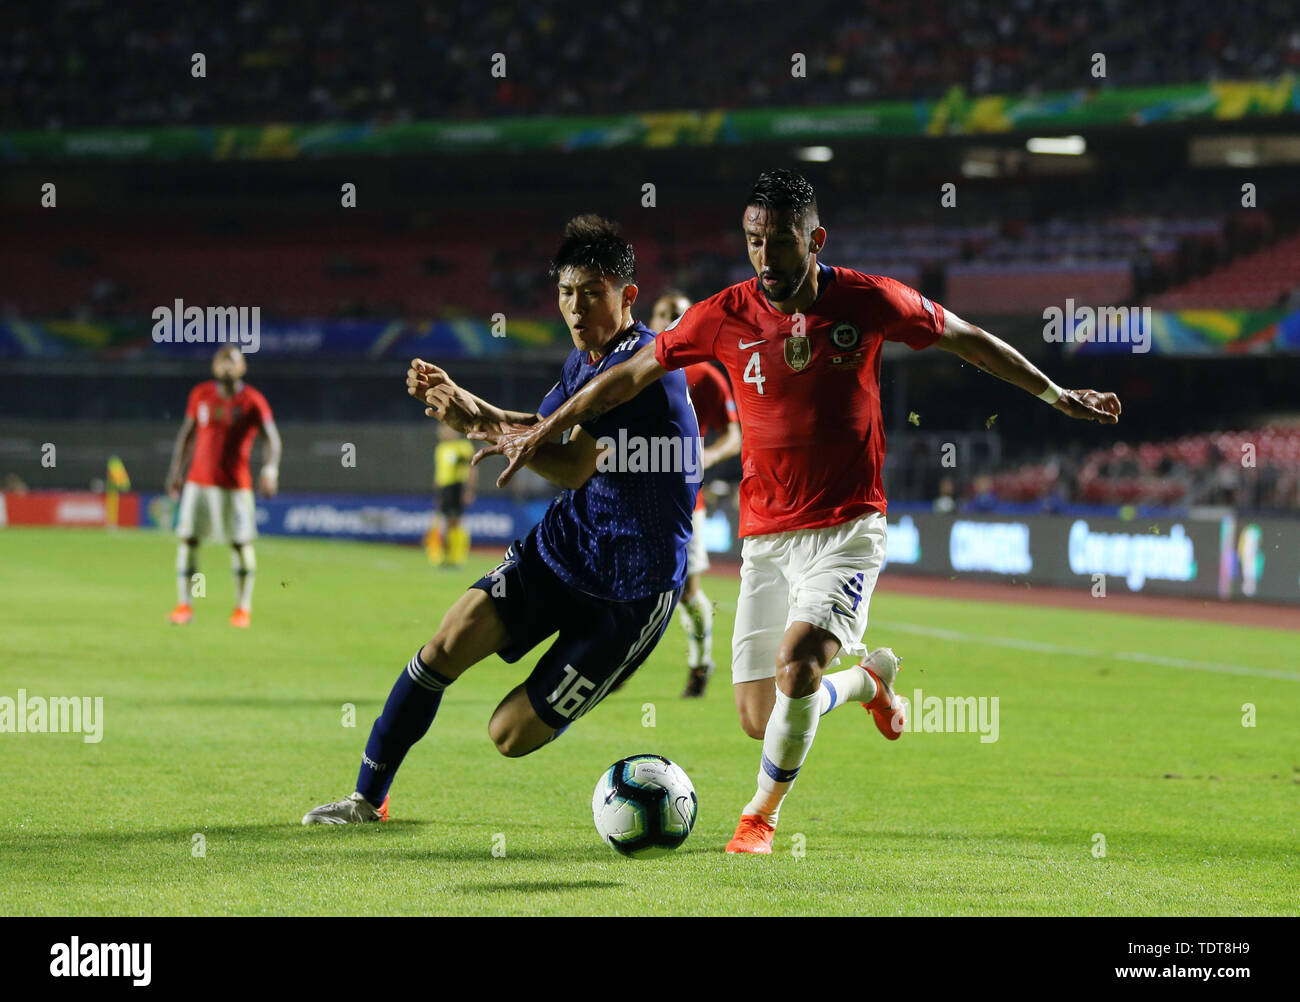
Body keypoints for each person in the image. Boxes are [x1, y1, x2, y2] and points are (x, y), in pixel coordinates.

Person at [477, 170, 1122, 854]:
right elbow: (626, 378)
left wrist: (1055, 393)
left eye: (779, 242)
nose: (764, 257)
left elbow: (965, 337)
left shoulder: (868, 300)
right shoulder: (724, 314)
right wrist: (547, 428)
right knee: (762, 716)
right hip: (767, 537)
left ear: (814, 240)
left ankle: (760, 815)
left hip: (847, 529)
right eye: (754, 241)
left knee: (796, 664)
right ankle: (868, 681)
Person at [303, 215, 699, 825]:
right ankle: (365, 798)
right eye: (566, 292)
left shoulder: (644, 372)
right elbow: (535, 427)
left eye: (591, 292)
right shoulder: (584, 361)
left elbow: (569, 466)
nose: (574, 307)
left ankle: (610, 701)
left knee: (509, 733)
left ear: (627, 296)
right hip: (567, 550)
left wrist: (478, 425)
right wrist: (473, 404)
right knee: (447, 641)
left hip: (632, 590)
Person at [649, 290, 743, 698]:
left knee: (687, 591)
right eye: (662, 313)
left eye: (678, 314)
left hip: (685, 500)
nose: (670, 318)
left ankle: (700, 662)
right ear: (650, 319)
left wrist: (708, 454)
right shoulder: (634, 369)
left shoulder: (705, 375)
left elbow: (734, 435)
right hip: (631, 497)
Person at [165, 346, 280, 628]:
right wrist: (175, 472)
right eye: (222, 360)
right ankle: (185, 605)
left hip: (234, 487)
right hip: (197, 484)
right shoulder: (200, 394)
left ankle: (242, 608)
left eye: (234, 360)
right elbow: (187, 434)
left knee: (240, 544)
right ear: (214, 367)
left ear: (243, 368)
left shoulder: (252, 400)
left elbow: (272, 439)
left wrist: (270, 470)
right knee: (189, 540)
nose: (227, 365)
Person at [425, 424, 477, 567]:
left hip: (457, 486)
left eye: (446, 429)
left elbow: (471, 469)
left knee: (456, 522)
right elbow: (439, 472)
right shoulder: (440, 448)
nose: (443, 432)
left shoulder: (463, 446)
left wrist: (469, 491)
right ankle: (447, 557)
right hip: (444, 488)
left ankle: (458, 557)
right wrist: (438, 493)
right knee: (446, 522)